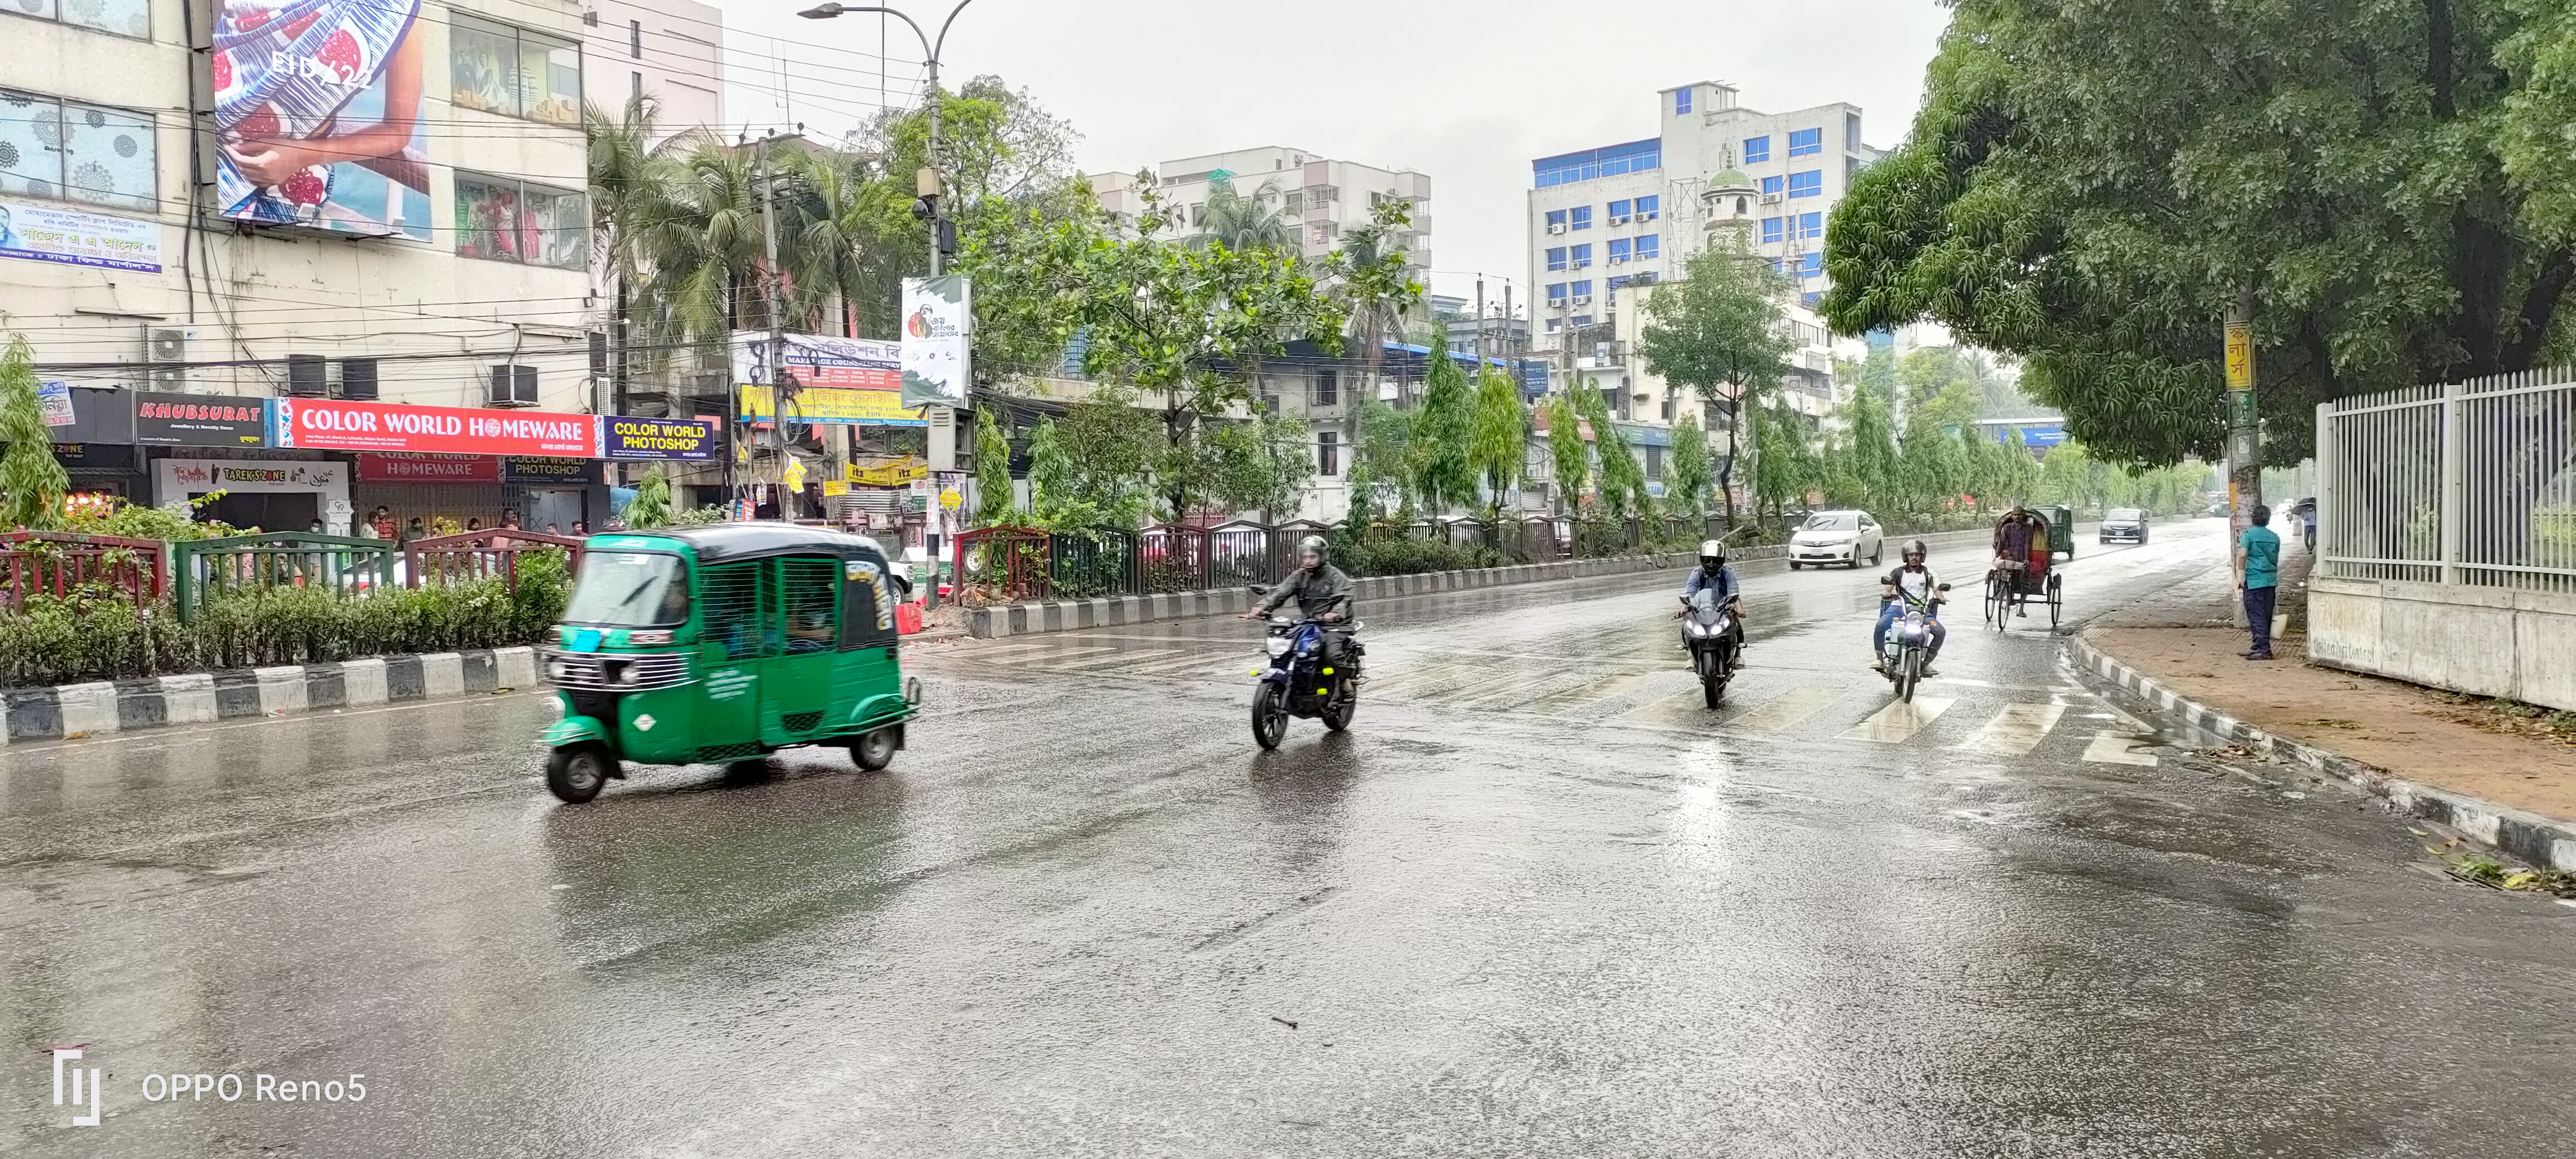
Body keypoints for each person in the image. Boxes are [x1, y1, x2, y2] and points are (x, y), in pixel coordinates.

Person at [1242, 535, 1356, 664]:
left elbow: (1343, 597)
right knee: (1287, 649)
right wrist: (1261, 607)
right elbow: (1280, 593)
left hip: (1335, 625)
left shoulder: (1335, 576)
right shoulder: (1299, 576)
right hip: (1308, 623)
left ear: (1323, 556)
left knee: (1332, 655)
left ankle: (1345, 682)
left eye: (1312, 557)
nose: (1308, 561)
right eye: (1305, 557)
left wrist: (1335, 613)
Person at [1873, 539, 1947, 676]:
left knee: (1940, 631)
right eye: (1911, 555)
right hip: (1899, 609)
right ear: (1905, 556)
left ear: (1922, 556)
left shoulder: (1929, 573)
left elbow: (1936, 589)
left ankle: (1925, 664)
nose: (1914, 558)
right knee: (1881, 624)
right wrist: (1887, 592)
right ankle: (1879, 659)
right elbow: (1889, 586)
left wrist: (1941, 597)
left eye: (1917, 555)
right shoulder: (1897, 572)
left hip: (1922, 612)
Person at [1674, 538, 1746, 671]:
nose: (1711, 564)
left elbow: (1734, 593)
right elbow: (1690, 594)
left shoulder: (1728, 572)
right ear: (1702, 560)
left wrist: (1739, 609)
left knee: (1736, 624)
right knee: (1687, 626)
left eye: (1716, 560)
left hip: (1723, 607)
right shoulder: (1697, 574)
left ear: (1722, 560)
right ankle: (1690, 655)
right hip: (1701, 608)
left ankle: (1737, 655)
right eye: (1708, 560)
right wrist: (1682, 608)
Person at [2236, 504, 2282, 660]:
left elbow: (2242, 556)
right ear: (2268, 519)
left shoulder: (2248, 535)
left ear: (2253, 518)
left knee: (2256, 615)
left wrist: (2241, 575)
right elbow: (2275, 559)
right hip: (2270, 580)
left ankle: (2263, 649)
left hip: (2254, 581)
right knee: (2266, 614)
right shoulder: (2275, 537)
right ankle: (2258, 645)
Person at [1991, 506, 2041, 617]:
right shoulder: (2007, 528)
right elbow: (2001, 542)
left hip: (2022, 558)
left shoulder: (2028, 529)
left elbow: (2027, 544)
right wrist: (1997, 556)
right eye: (2015, 515)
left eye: (2019, 515)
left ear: (2023, 516)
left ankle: (2021, 609)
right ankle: (2004, 593)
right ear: (2012, 516)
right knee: (2003, 576)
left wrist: (2026, 558)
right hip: (2009, 557)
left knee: (2024, 583)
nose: (2017, 517)